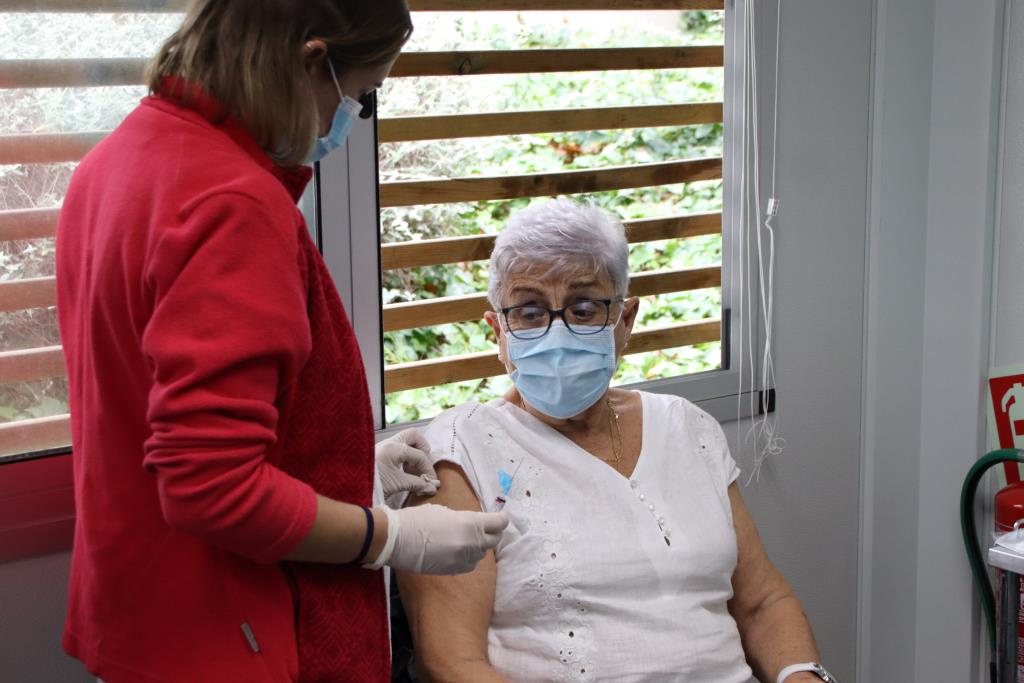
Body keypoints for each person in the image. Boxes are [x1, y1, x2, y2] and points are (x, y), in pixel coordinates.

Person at [55, 2, 506, 682]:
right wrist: (390, 536)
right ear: (309, 61)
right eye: (357, 95)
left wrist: (344, 472)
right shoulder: (233, 204)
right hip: (230, 632)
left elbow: (160, 410)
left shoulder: (118, 161)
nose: (346, 121)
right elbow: (210, 486)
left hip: (142, 617)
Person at [397, 199, 834, 683]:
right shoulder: (460, 453)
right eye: (529, 310)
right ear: (497, 329)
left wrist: (802, 676)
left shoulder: (688, 428)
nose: (556, 331)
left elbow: (762, 602)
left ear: (624, 321)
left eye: (584, 308)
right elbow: (454, 664)